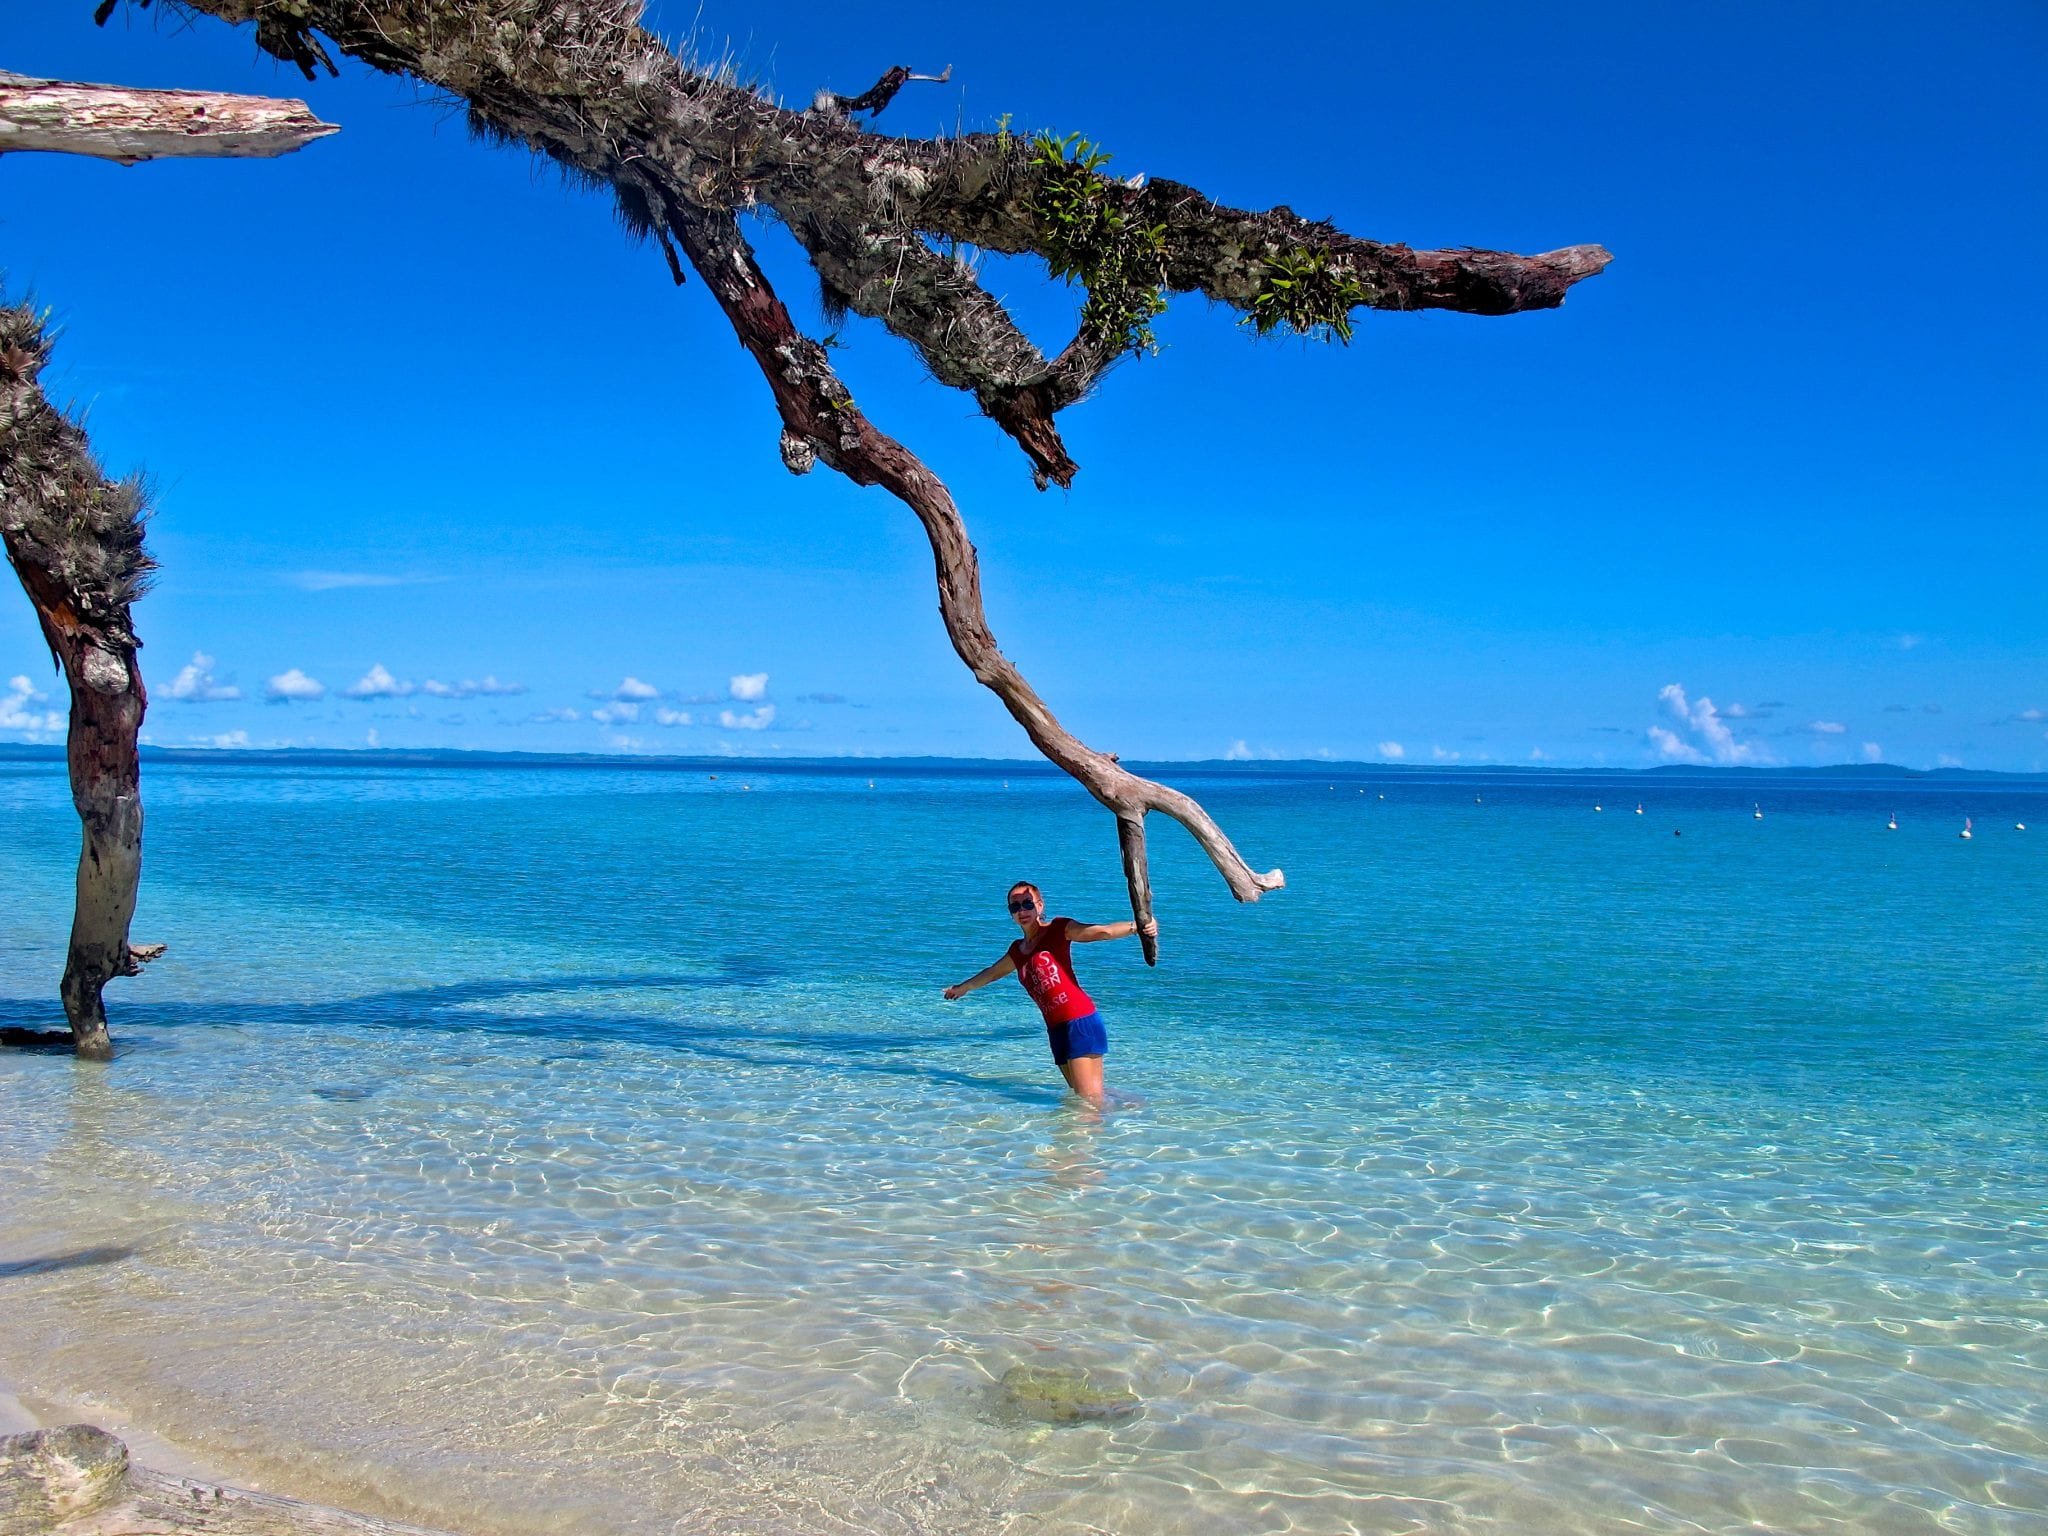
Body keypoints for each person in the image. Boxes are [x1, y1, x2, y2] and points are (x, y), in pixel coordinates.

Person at [942, 880, 1158, 1098]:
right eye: (1015, 907)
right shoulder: (1018, 950)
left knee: (1088, 1104)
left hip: (1080, 1021)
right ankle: (1134, 1107)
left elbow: (1103, 932)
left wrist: (1137, 927)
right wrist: (963, 988)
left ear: (1040, 906)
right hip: (1056, 1030)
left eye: (1027, 904)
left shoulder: (1058, 929)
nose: (1022, 911)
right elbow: (992, 972)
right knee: (1084, 1097)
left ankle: (1126, 1119)